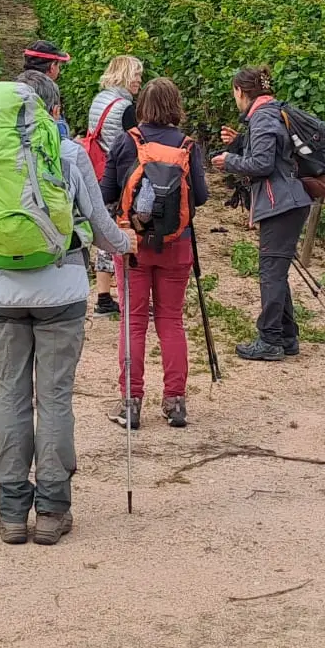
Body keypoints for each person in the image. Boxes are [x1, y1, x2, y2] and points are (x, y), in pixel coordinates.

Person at [0, 71, 130, 545]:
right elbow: (102, 227)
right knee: (55, 398)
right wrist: (126, 245)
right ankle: (52, 511)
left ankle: (11, 510)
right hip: (61, 294)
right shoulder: (68, 152)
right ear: (53, 110)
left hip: (1, 294)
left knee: (10, 396)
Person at [99, 76, 208, 430]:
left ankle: (130, 402)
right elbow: (201, 196)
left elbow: (107, 191)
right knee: (171, 321)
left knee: (133, 321)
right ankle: (175, 402)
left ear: (142, 106)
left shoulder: (127, 142)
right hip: (177, 244)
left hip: (133, 244)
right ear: (176, 106)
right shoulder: (189, 146)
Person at [211, 66, 312, 362]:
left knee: (270, 272)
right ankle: (286, 335)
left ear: (240, 91)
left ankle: (269, 339)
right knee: (276, 268)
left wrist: (229, 160)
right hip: (287, 201)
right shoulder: (269, 113)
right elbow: (272, 152)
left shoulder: (263, 116)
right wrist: (239, 142)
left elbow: (263, 164)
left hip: (281, 204)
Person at [84, 55, 143, 318]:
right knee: (123, 233)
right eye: (136, 75)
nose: (140, 81)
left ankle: (104, 297)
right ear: (125, 75)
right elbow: (134, 143)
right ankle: (130, 297)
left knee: (103, 231)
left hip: (97, 173)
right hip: (118, 176)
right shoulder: (125, 108)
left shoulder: (100, 100)